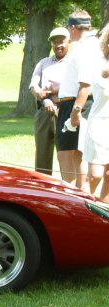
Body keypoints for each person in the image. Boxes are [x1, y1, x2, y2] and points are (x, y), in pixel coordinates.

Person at [57, 10, 98, 188]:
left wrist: (76, 110)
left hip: (76, 103)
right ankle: (77, 196)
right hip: (74, 103)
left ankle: (75, 198)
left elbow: (85, 83)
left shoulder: (85, 47)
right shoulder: (90, 45)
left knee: (67, 154)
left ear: (73, 27)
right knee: (74, 154)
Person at [29, 28, 70, 175]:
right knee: (42, 155)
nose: (58, 45)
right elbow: (33, 85)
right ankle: (42, 190)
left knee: (66, 155)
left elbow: (73, 87)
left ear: (69, 41)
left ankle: (68, 191)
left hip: (66, 111)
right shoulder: (43, 63)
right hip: (44, 111)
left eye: (62, 41)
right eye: (55, 42)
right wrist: (42, 96)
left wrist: (51, 90)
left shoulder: (73, 62)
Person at [81, 29, 109, 198]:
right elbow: (101, 79)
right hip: (99, 124)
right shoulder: (99, 63)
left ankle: (104, 215)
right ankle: (84, 210)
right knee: (95, 175)